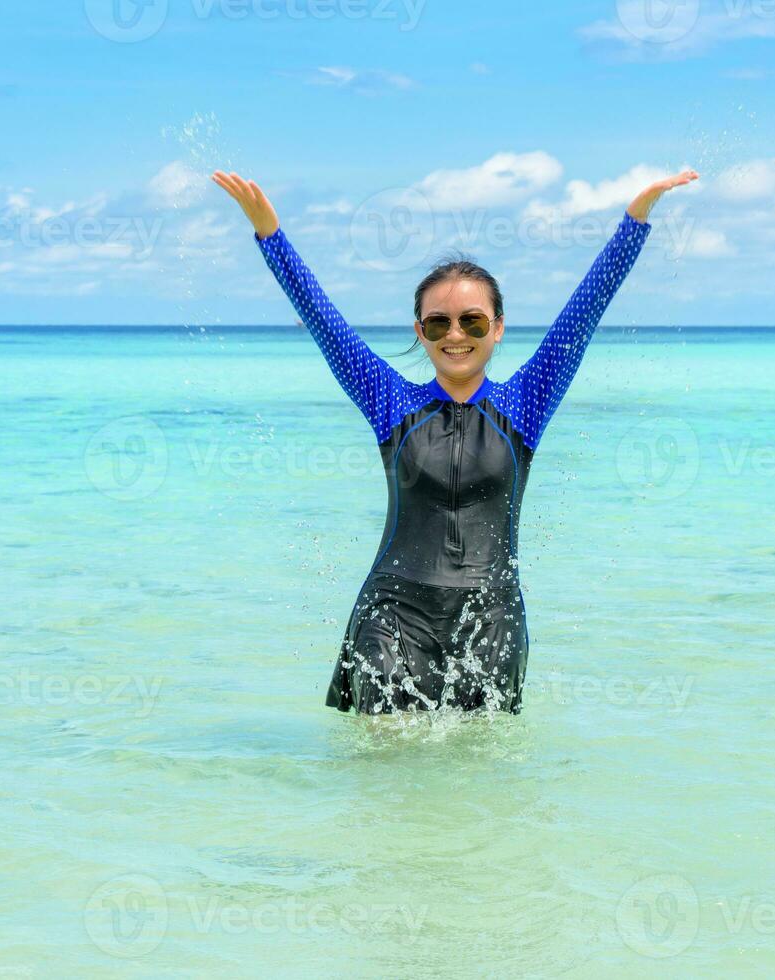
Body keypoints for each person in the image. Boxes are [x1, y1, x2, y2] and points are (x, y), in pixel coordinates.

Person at [212, 167, 698, 714]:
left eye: (471, 320)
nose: (456, 336)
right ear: (420, 331)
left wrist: (634, 222)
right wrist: (269, 236)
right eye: (438, 324)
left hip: (492, 618)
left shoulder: (526, 404)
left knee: (482, 778)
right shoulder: (390, 402)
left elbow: (585, 310)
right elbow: (323, 319)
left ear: (497, 327)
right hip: (393, 613)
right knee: (385, 772)